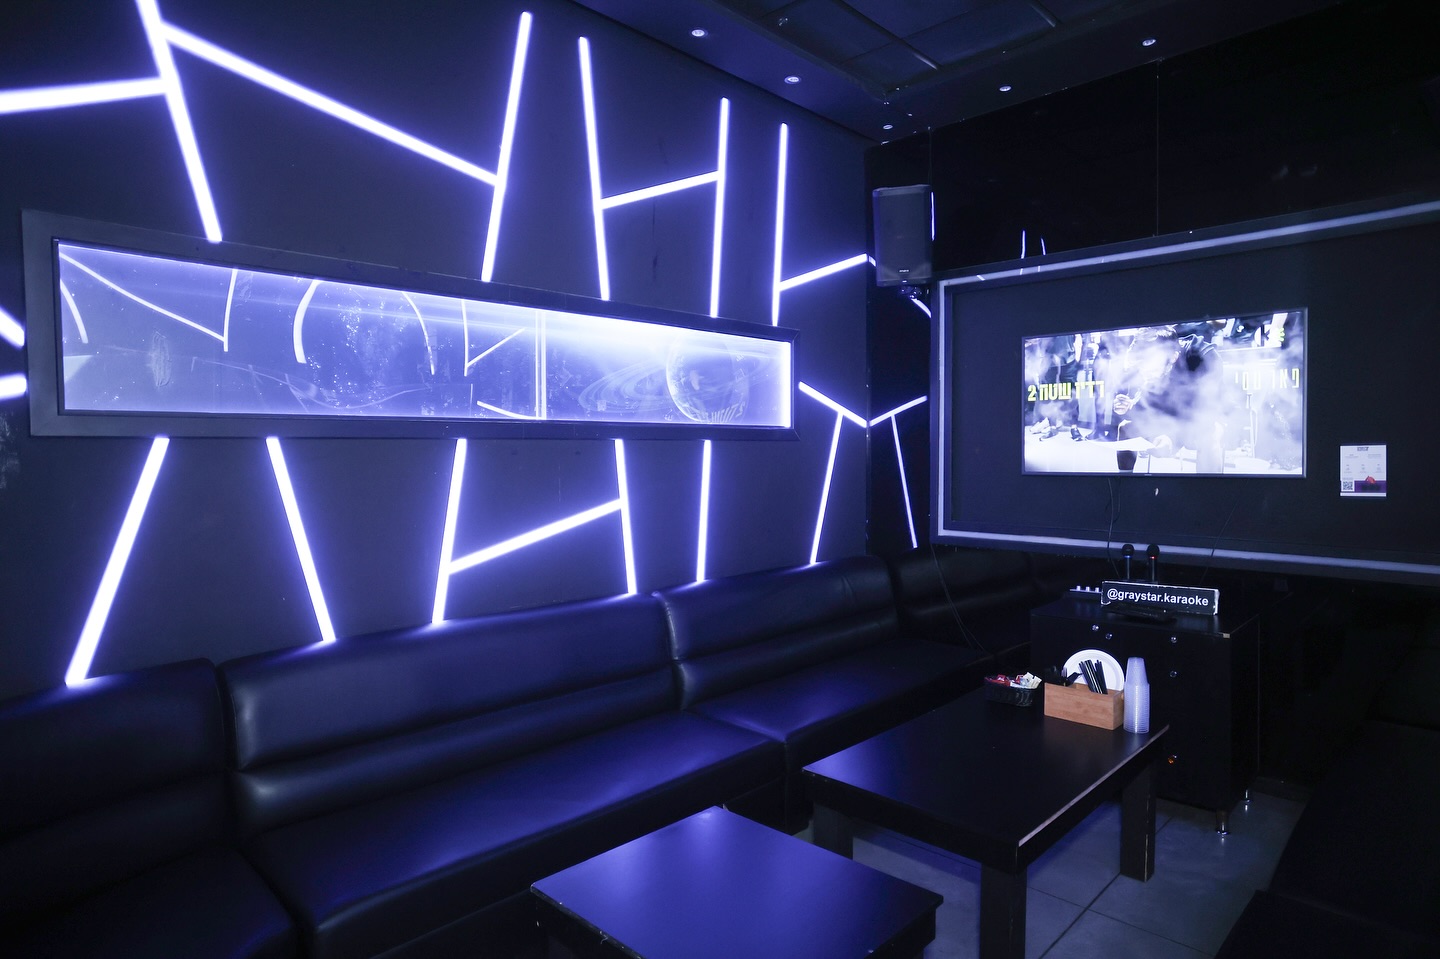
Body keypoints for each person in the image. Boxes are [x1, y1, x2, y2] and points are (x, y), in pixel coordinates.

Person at [1112, 328, 1227, 472]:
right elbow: (1149, 399)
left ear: (1173, 357)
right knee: (1126, 428)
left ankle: (1209, 486)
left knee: (1210, 436)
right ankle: (1124, 483)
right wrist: (1131, 406)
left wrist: (1172, 438)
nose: (1146, 374)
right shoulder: (1151, 363)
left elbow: (1204, 415)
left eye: (1152, 370)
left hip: (1208, 416)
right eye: (1142, 369)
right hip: (1169, 414)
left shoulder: (1204, 357)